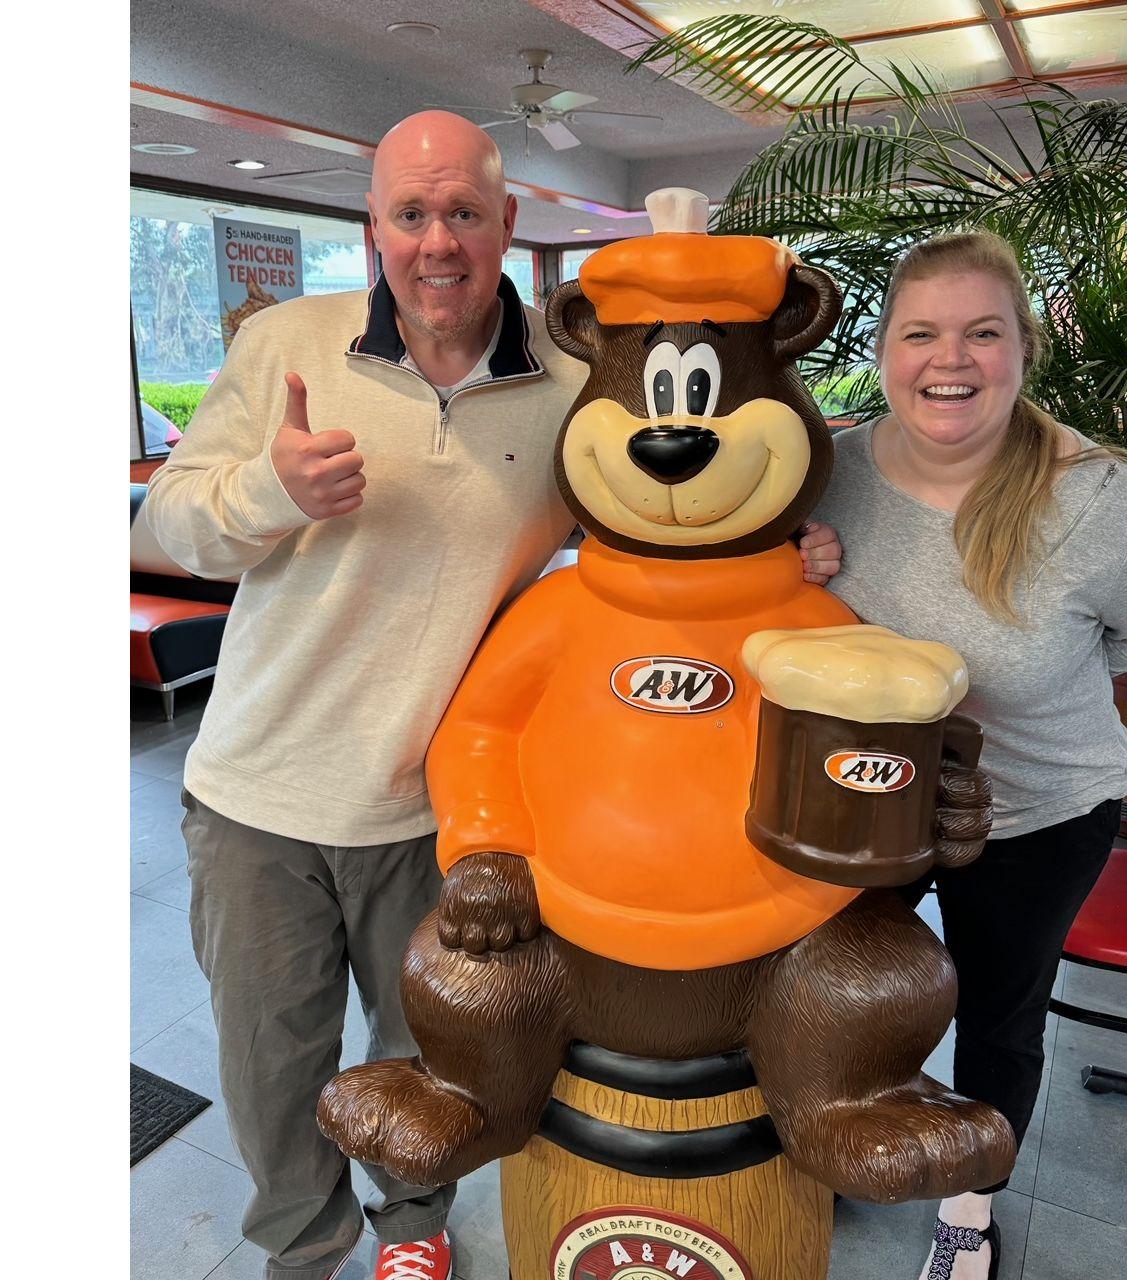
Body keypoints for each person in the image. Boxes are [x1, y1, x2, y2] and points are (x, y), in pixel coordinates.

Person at [146, 111, 843, 1280]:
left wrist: (780, 546)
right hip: (261, 791)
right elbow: (165, 520)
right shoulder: (287, 344)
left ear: (507, 223)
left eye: (462, 212)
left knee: (430, 1043)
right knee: (271, 1053)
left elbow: (656, 504)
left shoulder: (573, 383)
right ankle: (303, 1245)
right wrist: (266, 490)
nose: (436, 243)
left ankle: (411, 1232)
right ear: (372, 226)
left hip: (438, 802)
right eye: (409, 214)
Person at [812, 230, 1127, 1280]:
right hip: (879, 795)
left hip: (1038, 806)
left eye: (979, 333)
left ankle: (968, 1200)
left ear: (1021, 348)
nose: (946, 360)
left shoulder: (1102, 502)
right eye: (919, 332)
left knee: (997, 1012)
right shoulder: (831, 469)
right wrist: (795, 564)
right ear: (883, 350)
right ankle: (843, 1140)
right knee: (846, 987)